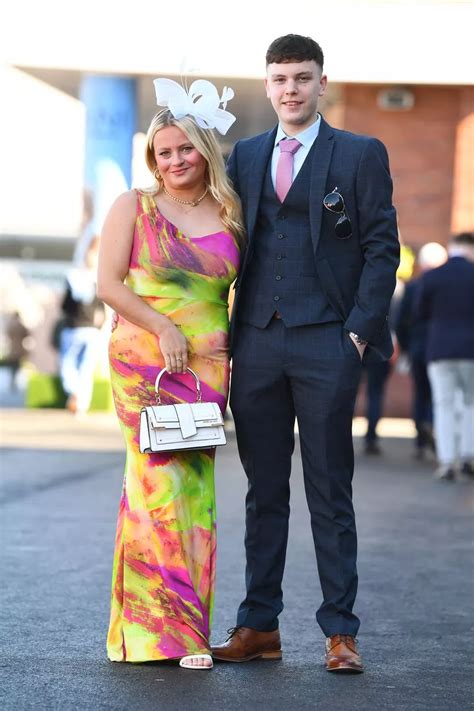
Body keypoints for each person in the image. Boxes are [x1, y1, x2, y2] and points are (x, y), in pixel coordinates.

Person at [211, 34, 399, 673]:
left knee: (329, 488)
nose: (290, 88)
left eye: (302, 77)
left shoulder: (360, 153)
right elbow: (220, 235)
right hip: (258, 339)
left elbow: (382, 247)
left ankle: (340, 632)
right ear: (267, 86)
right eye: (280, 78)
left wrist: (357, 333)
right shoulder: (244, 155)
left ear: (323, 83)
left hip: (328, 339)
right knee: (263, 492)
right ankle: (258, 625)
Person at [97, 78, 243, 669]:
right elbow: (107, 285)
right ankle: (168, 634)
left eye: (185, 148)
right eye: (164, 152)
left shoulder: (233, 213)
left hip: (208, 368)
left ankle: (168, 627)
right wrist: (163, 327)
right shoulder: (135, 206)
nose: (176, 160)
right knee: (155, 488)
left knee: (195, 491)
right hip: (146, 361)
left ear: (205, 149)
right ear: (152, 159)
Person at [415, 232, 474, 480]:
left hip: (439, 349)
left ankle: (447, 460)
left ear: (451, 247)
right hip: (471, 350)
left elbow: (420, 312)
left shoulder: (432, 277)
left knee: (443, 404)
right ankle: (468, 456)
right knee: (471, 404)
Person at [395, 242, 447, 459]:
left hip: (417, 348)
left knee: (420, 393)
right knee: (438, 395)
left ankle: (419, 440)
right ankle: (432, 430)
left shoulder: (413, 287)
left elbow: (401, 321)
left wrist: (406, 347)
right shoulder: (447, 287)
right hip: (439, 349)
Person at [58, 236, 105, 414]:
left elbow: (64, 306)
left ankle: (74, 393)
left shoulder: (73, 278)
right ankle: (81, 405)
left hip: (73, 327)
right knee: (86, 368)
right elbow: (102, 308)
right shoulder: (98, 280)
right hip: (92, 330)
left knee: (68, 364)